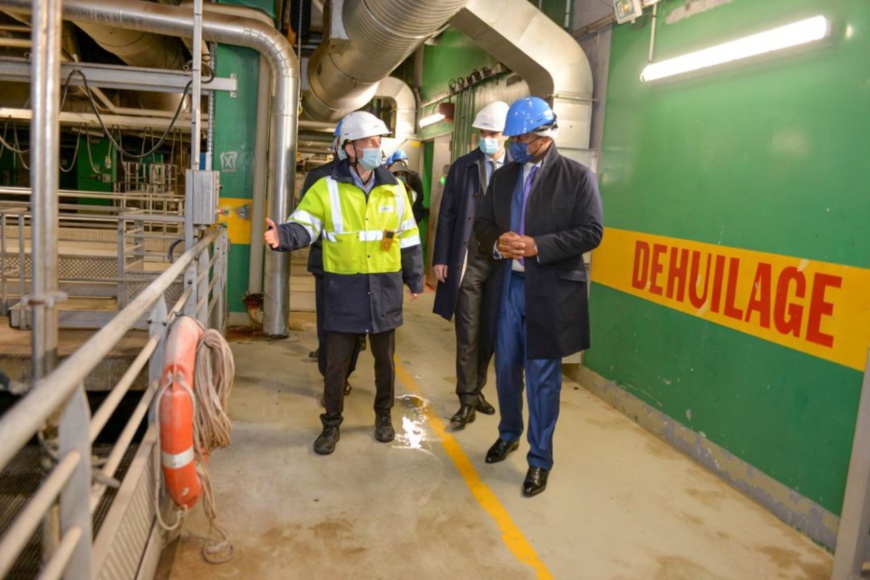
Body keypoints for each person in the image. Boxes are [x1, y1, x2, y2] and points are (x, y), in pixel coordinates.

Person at [265, 111, 424, 455]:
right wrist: (284, 236)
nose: (375, 148)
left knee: (385, 363)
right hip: (343, 288)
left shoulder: (394, 188)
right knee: (336, 365)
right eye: (368, 142)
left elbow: (409, 236)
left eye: (378, 142)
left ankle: (384, 416)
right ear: (349, 148)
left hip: (383, 288)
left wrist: (414, 278)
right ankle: (331, 424)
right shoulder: (326, 187)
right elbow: (305, 224)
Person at [474, 96, 603, 496]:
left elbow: (591, 232)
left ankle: (539, 459)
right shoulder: (504, 177)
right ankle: (509, 433)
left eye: (524, 138)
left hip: (550, 292)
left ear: (545, 135)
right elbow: (481, 224)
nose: (515, 145)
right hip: (509, 288)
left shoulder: (577, 177)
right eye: (513, 137)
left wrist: (537, 246)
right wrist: (499, 243)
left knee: (543, 379)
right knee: (507, 368)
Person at [431, 101, 510, 428]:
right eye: (482, 133)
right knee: (468, 329)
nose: (486, 138)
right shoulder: (463, 166)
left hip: (502, 263)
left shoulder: (518, 168)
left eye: (492, 133)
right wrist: (440, 258)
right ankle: (466, 398)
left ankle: (477, 388)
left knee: (491, 331)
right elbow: (447, 213)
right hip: (469, 260)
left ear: (507, 135)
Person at [300, 121, 359, 401]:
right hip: (327, 265)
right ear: (338, 144)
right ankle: (331, 381)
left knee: (357, 330)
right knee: (329, 325)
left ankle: (346, 374)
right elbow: (306, 220)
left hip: (362, 267)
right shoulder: (318, 177)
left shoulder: (371, 177)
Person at [387, 150, 429, 225]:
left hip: (413, 213)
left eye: (401, 161)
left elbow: (420, 196)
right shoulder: (390, 176)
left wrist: (410, 209)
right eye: (396, 162)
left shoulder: (413, 176)